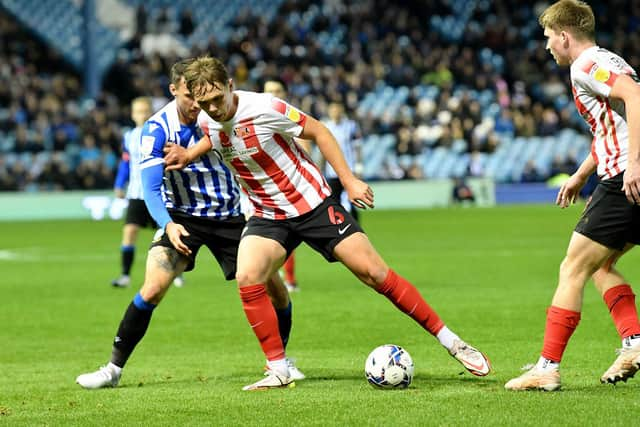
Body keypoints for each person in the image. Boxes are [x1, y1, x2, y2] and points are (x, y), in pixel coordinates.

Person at [164, 55, 491, 391]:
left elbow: (318, 130)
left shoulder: (265, 107)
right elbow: (217, 135)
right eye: (205, 103)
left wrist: (348, 180)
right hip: (268, 214)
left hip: (312, 203)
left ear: (231, 85)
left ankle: (453, 342)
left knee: (375, 274)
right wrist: (190, 155)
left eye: (218, 99)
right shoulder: (206, 120)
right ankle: (278, 368)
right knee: (248, 276)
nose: (214, 108)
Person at [76, 59, 303, 390]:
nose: (198, 104)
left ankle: (280, 362)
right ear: (173, 91)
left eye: (200, 96)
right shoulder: (156, 130)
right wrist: (167, 224)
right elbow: (151, 189)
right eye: (188, 96)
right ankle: (112, 369)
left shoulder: (220, 114)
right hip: (182, 218)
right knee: (153, 287)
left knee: (275, 289)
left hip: (233, 215)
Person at [505, 0, 640, 391]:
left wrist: (633, 164)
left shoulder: (586, 64)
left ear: (565, 36)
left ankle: (547, 367)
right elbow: (613, 126)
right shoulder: (610, 60)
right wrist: (581, 174)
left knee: (573, 268)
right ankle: (632, 342)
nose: (547, 46)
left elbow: (634, 97)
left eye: (549, 37)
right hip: (623, 174)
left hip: (625, 180)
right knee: (601, 264)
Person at [111, 97, 185, 288]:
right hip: (136, 194)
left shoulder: (160, 132)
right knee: (129, 231)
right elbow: (126, 163)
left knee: (168, 234)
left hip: (158, 194)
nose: (142, 114)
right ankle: (125, 275)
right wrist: (119, 184)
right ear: (132, 114)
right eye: (138, 111)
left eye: (145, 110)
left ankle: (176, 274)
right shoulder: (129, 137)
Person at [261, 78, 311, 292]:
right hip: (258, 188)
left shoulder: (292, 118)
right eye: (268, 91)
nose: (273, 94)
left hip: (287, 187)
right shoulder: (254, 117)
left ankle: (286, 280)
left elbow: (305, 151)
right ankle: (274, 280)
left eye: (277, 90)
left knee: (284, 237)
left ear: (285, 92)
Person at [322, 101, 363, 223]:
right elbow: (322, 151)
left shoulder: (351, 126)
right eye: (333, 109)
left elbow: (358, 147)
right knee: (334, 202)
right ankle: (339, 228)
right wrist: (320, 169)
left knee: (353, 201)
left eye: (337, 109)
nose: (335, 112)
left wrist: (359, 167)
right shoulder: (325, 126)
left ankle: (356, 227)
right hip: (332, 171)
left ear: (342, 110)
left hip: (349, 170)